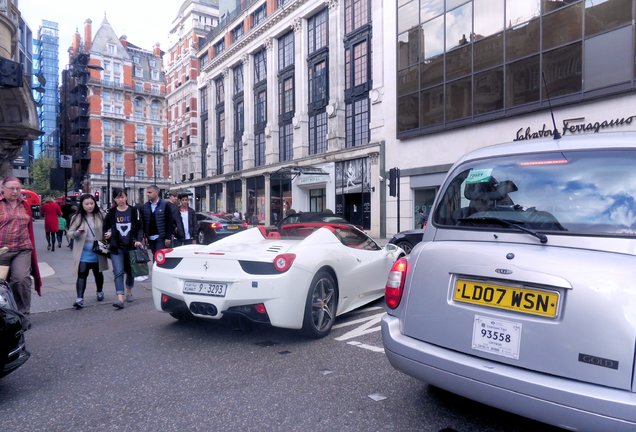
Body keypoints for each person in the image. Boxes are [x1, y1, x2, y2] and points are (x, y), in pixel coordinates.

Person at [0, 177, 42, 325]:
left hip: (22, 249)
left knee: (21, 279)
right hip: (2, 251)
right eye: (11, 188)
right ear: (2, 189)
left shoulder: (24, 205)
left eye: (18, 188)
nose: (16, 191)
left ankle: (22, 316)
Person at [104, 188, 144, 309]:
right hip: (117, 247)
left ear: (126, 197)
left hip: (131, 246)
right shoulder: (111, 213)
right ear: (114, 199)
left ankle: (129, 291)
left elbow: (140, 227)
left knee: (130, 271)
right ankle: (120, 298)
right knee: (118, 272)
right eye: (118, 197)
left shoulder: (133, 211)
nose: (120, 200)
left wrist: (138, 240)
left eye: (122, 197)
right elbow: (105, 228)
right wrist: (109, 233)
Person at [67, 193, 109, 309]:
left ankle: (99, 291)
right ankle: (79, 298)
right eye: (86, 204)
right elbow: (69, 233)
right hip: (83, 251)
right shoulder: (77, 217)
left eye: (91, 203)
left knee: (98, 274)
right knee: (82, 274)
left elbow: (109, 227)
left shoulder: (101, 215)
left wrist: (109, 233)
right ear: (82, 205)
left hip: (98, 250)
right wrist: (76, 233)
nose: (89, 206)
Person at [142, 185, 183, 255]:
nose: (147, 194)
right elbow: (143, 222)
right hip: (150, 237)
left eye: (149, 192)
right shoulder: (145, 206)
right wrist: (143, 236)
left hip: (161, 237)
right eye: (147, 192)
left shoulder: (165, 205)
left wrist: (168, 237)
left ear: (156, 193)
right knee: (154, 256)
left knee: (159, 257)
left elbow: (169, 222)